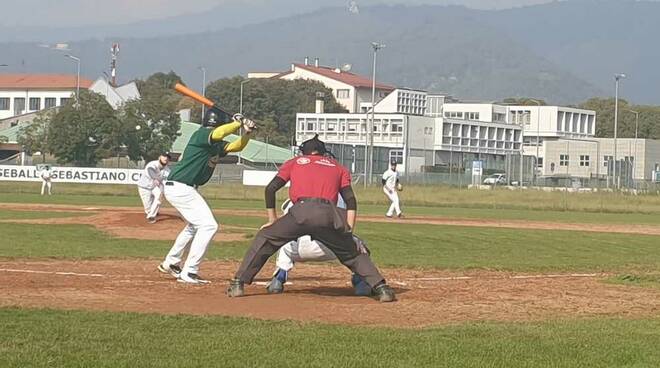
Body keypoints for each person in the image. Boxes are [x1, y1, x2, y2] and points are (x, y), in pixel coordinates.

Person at [228, 134, 396, 302]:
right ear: (324, 153)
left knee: (266, 238)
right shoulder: (338, 167)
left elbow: (270, 189)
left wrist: (272, 219)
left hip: (300, 211)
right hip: (328, 214)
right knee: (352, 252)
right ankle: (382, 288)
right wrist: (348, 228)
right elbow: (350, 199)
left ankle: (238, 283)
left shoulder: (294, 163)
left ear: (304, 152)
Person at [157, 109, 256, 284]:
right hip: (181, 186)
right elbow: (218, 132)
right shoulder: (202, 134)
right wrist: (237, 123)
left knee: (194, 226)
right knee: (209, 226)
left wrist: (247, 133)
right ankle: (190, 272)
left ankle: (170, 262)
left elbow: (236, 146)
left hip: (184, 187)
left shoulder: (215, 144)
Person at [267, 197, 372, 296]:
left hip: (296, 251)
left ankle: (278, 280)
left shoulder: (294, 197)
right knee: (358, 244)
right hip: (330, 249)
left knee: (284, 239)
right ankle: (361, 283)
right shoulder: (338, 196)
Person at [137, 153, 171, 224]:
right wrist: (155, 178)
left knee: (159, 197)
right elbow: (150, 170)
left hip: (154, 187)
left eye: (168, 157)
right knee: (148, 208)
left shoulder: (167, 170)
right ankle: (150, 212)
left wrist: (162, 191)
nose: (166, 158)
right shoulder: (152, 164)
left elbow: (167, 181)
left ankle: (151, 216)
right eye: (164, 156)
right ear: (159, 157)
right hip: (144, 187)